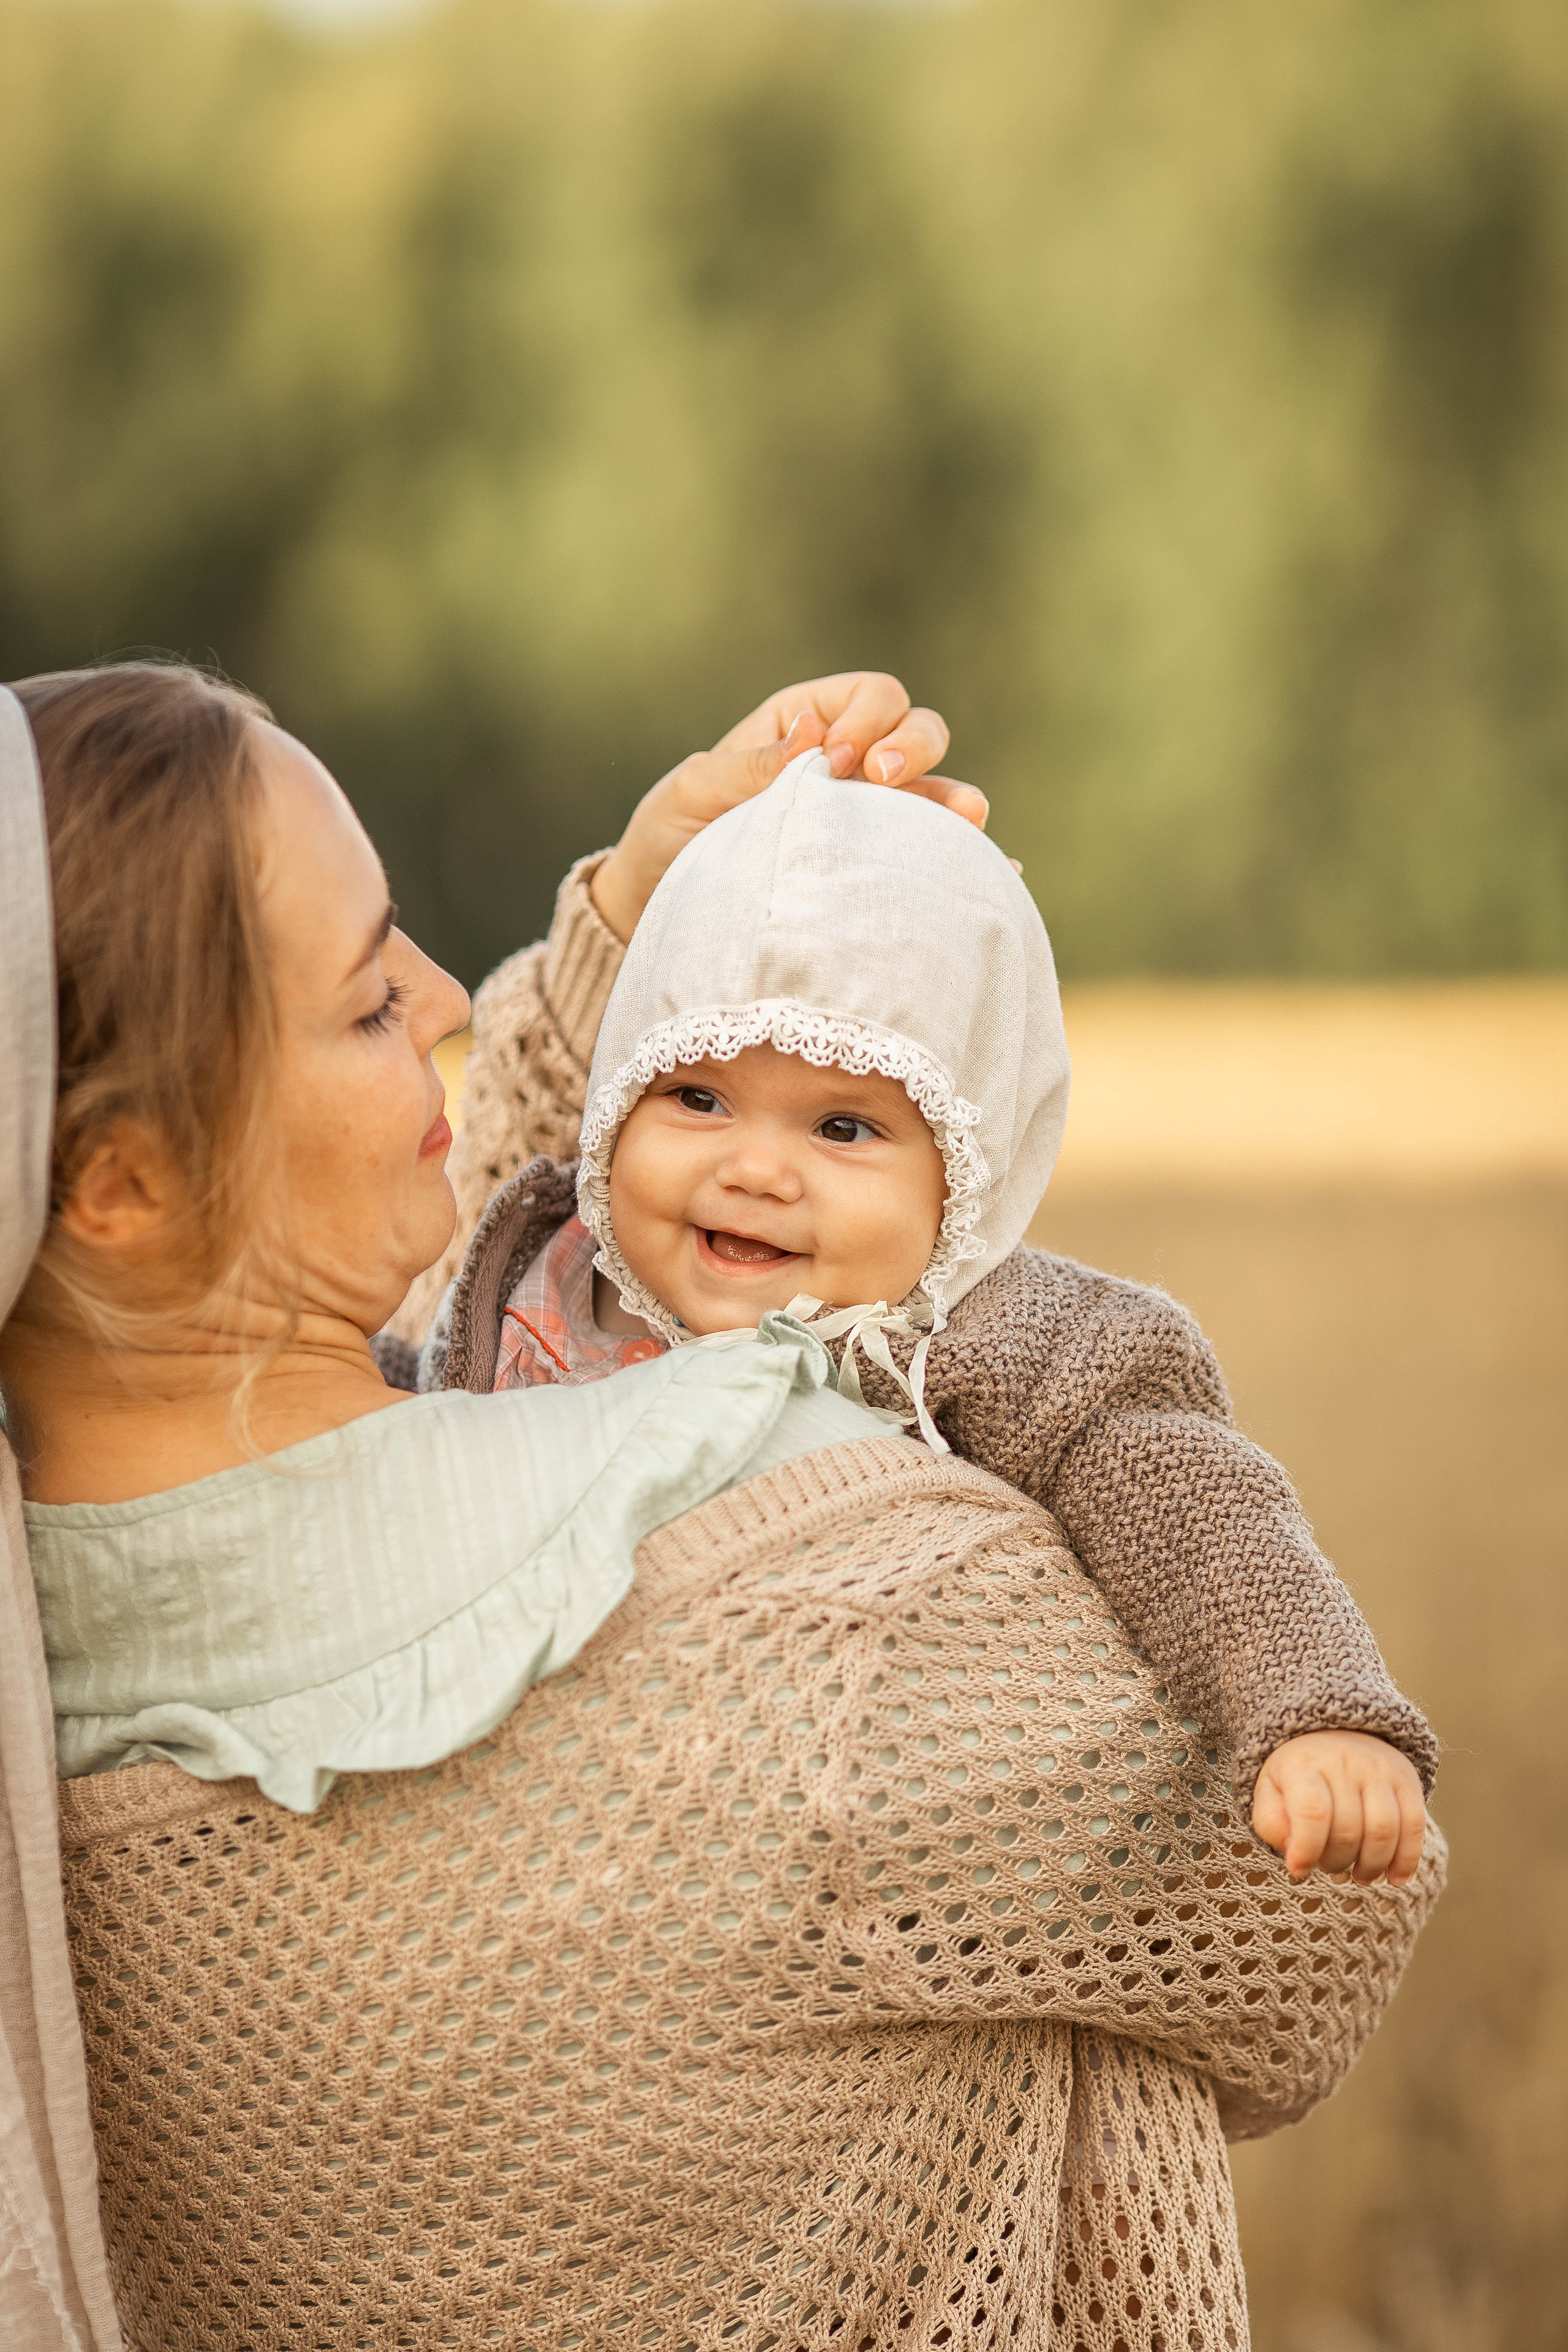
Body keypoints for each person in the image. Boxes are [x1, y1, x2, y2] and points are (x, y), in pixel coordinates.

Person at [0, 665, 1444, 2352]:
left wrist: (636, 925)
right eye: (367, 1002)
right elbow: (1310, 1933)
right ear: (112, 1183)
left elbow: (506, 1282)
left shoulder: (43, 1685)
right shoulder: (841, 1602)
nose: (451, 992)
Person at [465, 750, 1434, 1890]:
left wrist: (1312, 1706)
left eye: (842, 1129)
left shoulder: (991, 1336)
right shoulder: (536, 1276)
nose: (755, 1169)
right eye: (696, 1097)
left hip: (820, 1867)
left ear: (963, 1168)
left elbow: (1193, 1504)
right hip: (532, 1848)